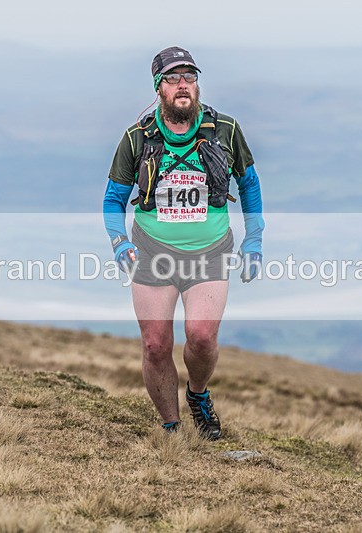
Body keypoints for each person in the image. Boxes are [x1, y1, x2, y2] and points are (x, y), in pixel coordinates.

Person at [102, 46, 264, 440]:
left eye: (189, 77)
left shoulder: (224, 130)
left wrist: (254, 240)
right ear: (159, 88)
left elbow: (249, 185)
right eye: (173, 78)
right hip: (151, 252)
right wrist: (119, 241)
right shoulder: (137, 138)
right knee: (156, 345)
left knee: (202, 337)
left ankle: (198, 393)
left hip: (209, 253)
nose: (183, 85)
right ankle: (172, 429)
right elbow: (112, 200)